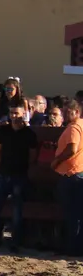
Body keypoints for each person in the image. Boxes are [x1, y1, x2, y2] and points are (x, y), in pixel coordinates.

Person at [0, 101, 37, 253]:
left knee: (17, 211)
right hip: (3, 173)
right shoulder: (4, 131)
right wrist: (2, 166)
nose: (14, 116)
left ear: (23, 114)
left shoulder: (29, 134)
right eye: (12, 113)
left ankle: (15, 243)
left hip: (20, 174)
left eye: (17, 113)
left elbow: (33, 155)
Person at [52, 100, 83, 255]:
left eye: (66, 112)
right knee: (78, 213)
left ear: (76, 112)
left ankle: (72, 248)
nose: (63, 115)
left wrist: (57, 160)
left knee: (71, 213)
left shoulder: (73, 128)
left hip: (71, 173)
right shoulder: (81, 125)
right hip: (78, 172)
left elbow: (72, 149)